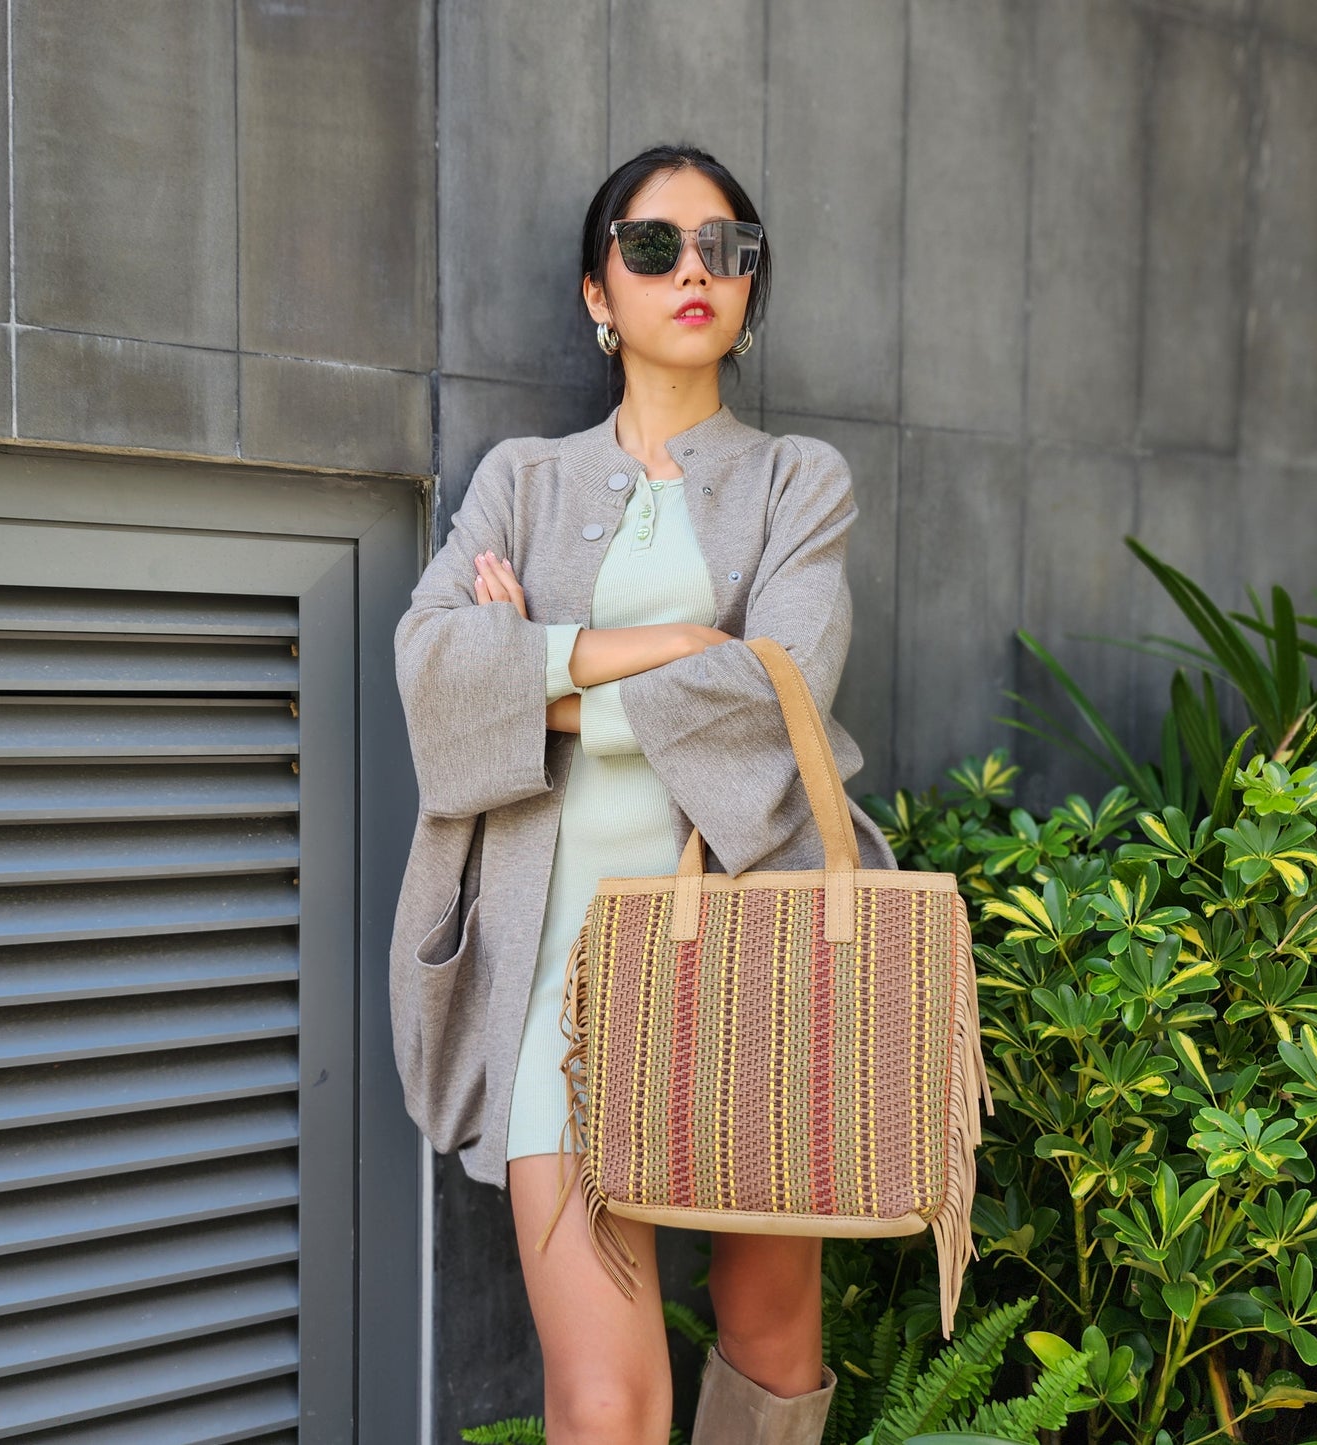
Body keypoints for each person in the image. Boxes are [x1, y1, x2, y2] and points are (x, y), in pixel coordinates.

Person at [390, 142, 897, 1445]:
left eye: (725, 248)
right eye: (653, 245)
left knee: (773, 1343)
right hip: (558, 966)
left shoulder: (800, 482)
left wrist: (541, 680)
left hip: (763, 947)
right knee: (604, 1396)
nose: (694, 271)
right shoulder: (520, 479)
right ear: (596, 294)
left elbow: (774, 690)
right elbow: (433, 669)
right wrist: (659, 647)